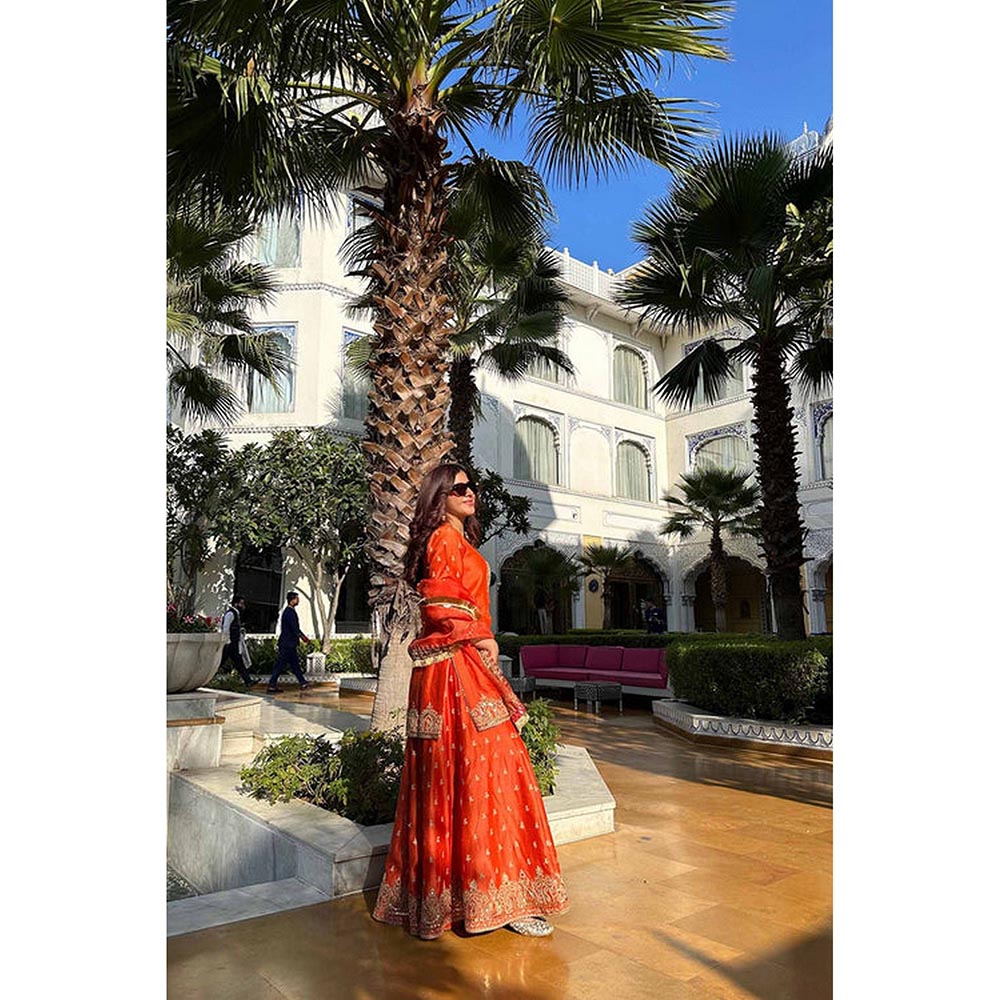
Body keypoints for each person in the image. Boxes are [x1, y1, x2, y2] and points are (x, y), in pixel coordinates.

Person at [372, 464, 568, 940]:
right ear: (439, 496)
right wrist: (483, 637)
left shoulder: (459, 543)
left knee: (475, 775)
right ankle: (493, 898)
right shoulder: (442, 537)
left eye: (471, 486)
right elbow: (437, 606)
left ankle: (482, 898)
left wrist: (480, 639)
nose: (471, 493)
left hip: (458, 667)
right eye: (459, 488)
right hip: (455, 669)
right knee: (490, 771)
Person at [266, 592, 311, 693]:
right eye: (297, 599)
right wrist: (303, 637)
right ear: (292, 600)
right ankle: (272, 685)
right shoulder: (289, 612)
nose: (298, 601)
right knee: (280, 665)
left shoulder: (288, 611)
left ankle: (303, 682)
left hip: (288, 643)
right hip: (287, 644)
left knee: (294, 664)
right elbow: (295, 628)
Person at [220, 596, 255, 689]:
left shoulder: (236, 614)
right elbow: (226, 627)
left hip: (234, 643)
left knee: (239, 662)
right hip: (230, 643)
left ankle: (248, 681)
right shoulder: (231, 614)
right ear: (236, 604)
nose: (243, 606)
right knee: (221, 661)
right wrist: (227, 640)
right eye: (241, 603)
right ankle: (208, 678)